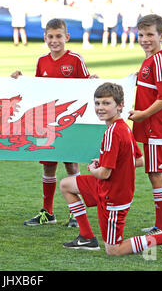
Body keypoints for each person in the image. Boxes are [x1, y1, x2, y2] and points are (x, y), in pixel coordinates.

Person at [59, 82, 162, 259]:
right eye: (97, 103)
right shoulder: (123, 128)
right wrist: (107, 162)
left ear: (120, 106)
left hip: (113, 195)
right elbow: (139, 159)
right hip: (105, 187)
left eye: (106, 103)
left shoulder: (114, 132)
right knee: (66, 185)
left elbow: (104, 174)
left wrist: (93, 169)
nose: (100, 108)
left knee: (114, 250)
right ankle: (87, 237)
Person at [11, 18, 98, 227]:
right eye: (50, 37)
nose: (54, 40)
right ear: (45, 38)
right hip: (48, 123)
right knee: (48, 167)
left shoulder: (76, 59)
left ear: (66, 37)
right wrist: (19, 80)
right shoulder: (42, 61)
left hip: (69, 124)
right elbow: (38, 90)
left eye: (58, 36)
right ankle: (47, 212)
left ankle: (75, 213)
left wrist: (92, 82)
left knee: (71, 165)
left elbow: (85, 90)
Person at [128, 14, 162, 235]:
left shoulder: (158, 60)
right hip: (154, 126)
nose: (145, 39)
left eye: (150, 34)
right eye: (141, 34)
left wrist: (143, 114)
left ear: (161, 36)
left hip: (156, 126)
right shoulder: (150, 60)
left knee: (155, 173)